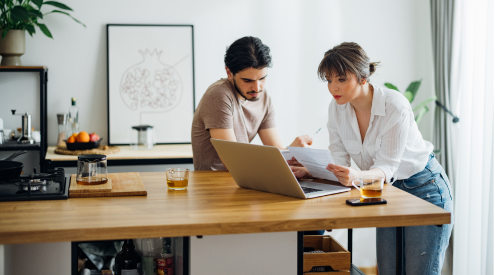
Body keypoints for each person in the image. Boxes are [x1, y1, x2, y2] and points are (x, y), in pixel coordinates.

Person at [291, 42, 453, 275]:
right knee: (388, 270)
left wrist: (357, 176)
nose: (333, 87)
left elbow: (387, 167)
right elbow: (339, 160)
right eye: (328, 80)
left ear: (362, 77)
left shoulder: (394, 106)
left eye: (341, 79)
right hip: (386, 192)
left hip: (423, 189)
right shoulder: (336, 108)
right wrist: (312, 171)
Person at [191, 36, 311, 171]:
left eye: (262, 78)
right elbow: (233, 162)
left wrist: (295, 154)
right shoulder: (219, 95)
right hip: (216, 184)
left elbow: (276, 150)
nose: (257, 88)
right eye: (248, 81)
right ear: (229, 72)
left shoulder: (263, 97)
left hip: (246, 178)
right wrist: (288, 153)